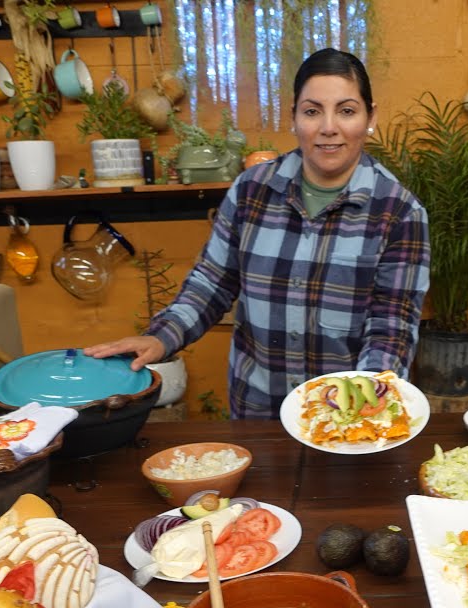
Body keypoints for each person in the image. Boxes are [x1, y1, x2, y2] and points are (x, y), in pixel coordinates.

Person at [84, 48, 431, 420]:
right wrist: (161, 336)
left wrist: (365, 394)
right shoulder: (252, 190)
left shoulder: (399, 212)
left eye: (346, 111)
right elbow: (213, 282)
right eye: (312, 111)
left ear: (369, 117)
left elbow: (391, 324)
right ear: (294, 118)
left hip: (344, 421)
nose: (329, 127)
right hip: (257, 411)